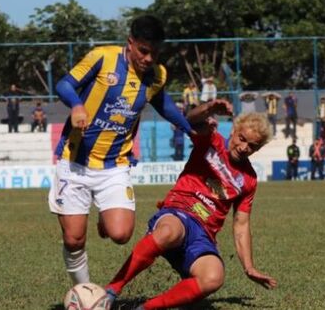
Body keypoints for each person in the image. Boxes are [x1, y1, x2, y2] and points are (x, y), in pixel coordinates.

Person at [48, 15, 193, 285]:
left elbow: (164, 105)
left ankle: (106, 217)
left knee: (121, 234)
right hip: (75, 161)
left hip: (114, 165)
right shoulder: (102, 58)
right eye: (143, 51)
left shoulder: (157, 75)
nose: (149, 58)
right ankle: (85, 291)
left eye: (155, 53)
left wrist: (190, 129)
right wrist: (77, 105)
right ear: (130, 43)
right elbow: (64, 84)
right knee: (73, 238)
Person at [105, 100, 277, 310]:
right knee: (169, 231)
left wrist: (249, 267)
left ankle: (145, 308)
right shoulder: (211, 140)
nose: (243, 148)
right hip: (178, 213)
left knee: (214, 277)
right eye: (242, 139)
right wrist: (209, 108)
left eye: (252, 146)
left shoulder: (248, 179)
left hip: (203, 235)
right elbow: (189, 120)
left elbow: (241, 224)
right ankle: (111, 291)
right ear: (233, 130)